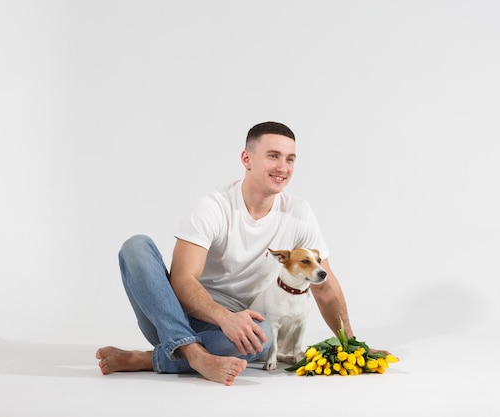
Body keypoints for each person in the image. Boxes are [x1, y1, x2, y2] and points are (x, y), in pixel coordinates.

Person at [96, 121, 389, 386]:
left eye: (290, 159)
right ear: (246, 159)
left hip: (232, 329)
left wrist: (352, 345)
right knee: (136, 246)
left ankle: (147, 359)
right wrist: (224, 317)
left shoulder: (299, 213)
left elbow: (324, 287)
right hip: (170, 314)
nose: (283, 167)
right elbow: (182, 281)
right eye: (273, 156)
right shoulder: (214, 206)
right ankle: (195, 356)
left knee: (263, 340)